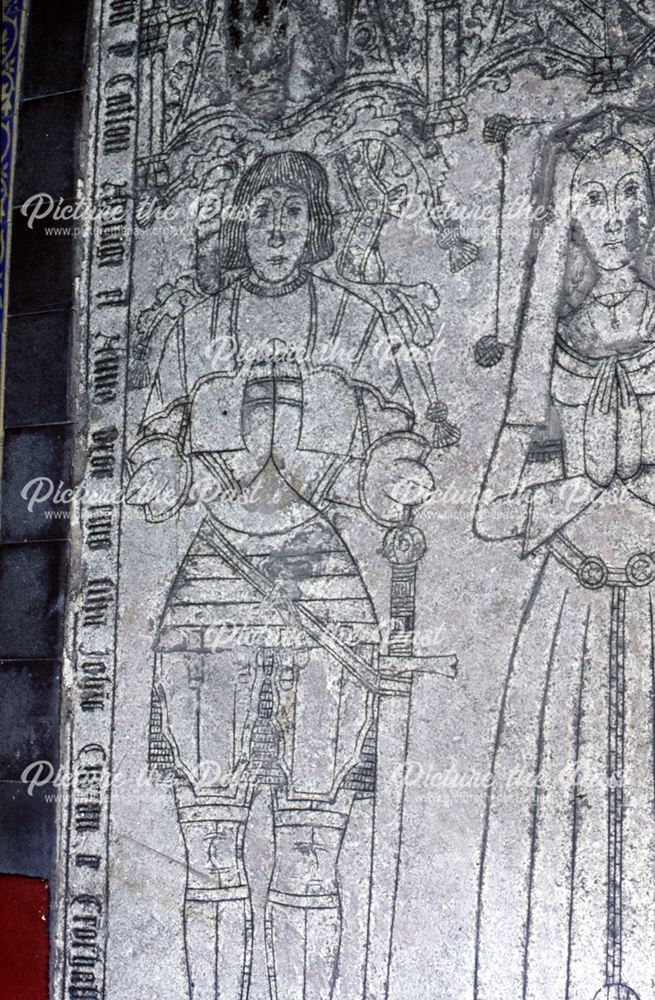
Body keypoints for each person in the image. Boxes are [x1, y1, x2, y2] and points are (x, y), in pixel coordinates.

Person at [126, 149, 434, 1000]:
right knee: (210, 835)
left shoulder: (354, 321)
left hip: (319, 580)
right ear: (240, 222)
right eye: (261, 211)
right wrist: (159, 471)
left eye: (292, 213)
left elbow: (392, 434)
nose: (275, 228)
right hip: (215, 583)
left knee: (309, 841)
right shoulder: (195, 327)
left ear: (315, 226)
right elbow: (158, 435)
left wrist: (396, 474)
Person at [473, 112, 655, 1000]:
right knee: (571, 815)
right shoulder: (551, 344)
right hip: (573, 607)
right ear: (568, 214)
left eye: (629, 191)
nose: (614, 212)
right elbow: (490, 514)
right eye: (593, 194)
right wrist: (577, 488)